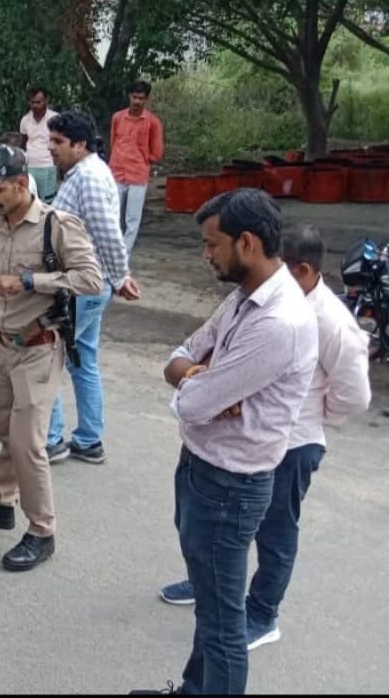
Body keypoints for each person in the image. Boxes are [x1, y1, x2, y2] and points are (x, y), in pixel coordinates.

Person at [132, 189, 318, 696]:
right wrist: (199, 374)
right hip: (203, 469)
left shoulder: (277, 322)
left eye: (212, 244)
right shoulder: (244, 296)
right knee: (213, 610)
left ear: (248, 243)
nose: (206, 254)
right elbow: (182, 355)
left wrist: (202, 384)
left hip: (229, 486)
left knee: (222, 624)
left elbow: (193, 405)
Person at [154, 226, 370, 646]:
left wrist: (306, 417)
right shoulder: (255, 301)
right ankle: (208, 580)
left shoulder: (328, 320)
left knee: (274, 534)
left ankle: (262, 614)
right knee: (205, 525)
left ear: (302, 270)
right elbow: (199, 351)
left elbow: (355, 396)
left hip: (292, 444)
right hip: (236, 440)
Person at [0, 146, 103, 572]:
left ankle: (42, 530)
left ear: (21, 184)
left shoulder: (57, 225)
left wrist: (33, 281)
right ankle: (1, 502)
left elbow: (92, 279)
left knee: (27, 442)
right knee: (7, 431)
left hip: (39, 347)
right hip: (3, 346)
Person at [45, 110, 142, 466]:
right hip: (86, 285)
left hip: (81, 287)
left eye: (58, 142)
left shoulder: (89, 177)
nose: (51, 148)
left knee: (46, 357)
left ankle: (51, 439)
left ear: (80, 144)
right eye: (50, 140)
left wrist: (120, 277)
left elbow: (107, 234)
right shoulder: (83, 174)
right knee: (82, 359)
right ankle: (88, 439)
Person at [109, 80, 165, 256]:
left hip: (138, 176)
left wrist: (143, 159)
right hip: (117, 172)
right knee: (113, 216)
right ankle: (112, 251)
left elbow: (157, 152)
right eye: (134, 97)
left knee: (132, 220)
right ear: (129, 97)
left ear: (146, 99)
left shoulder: (153, 122)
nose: (137, 101)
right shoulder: (118, 118)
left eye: (141, 98)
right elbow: (113, 142)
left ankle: (123, 256)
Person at [20, 87, 59, 201]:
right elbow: (23, 143)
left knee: (48, 201)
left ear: (46, 101)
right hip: (30, 167)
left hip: (48, 166)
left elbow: (61, 141)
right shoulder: (25, 120)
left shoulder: (55, 118)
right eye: (32, 102)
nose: (35, 105)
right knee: (30, 201)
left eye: (38, 102)